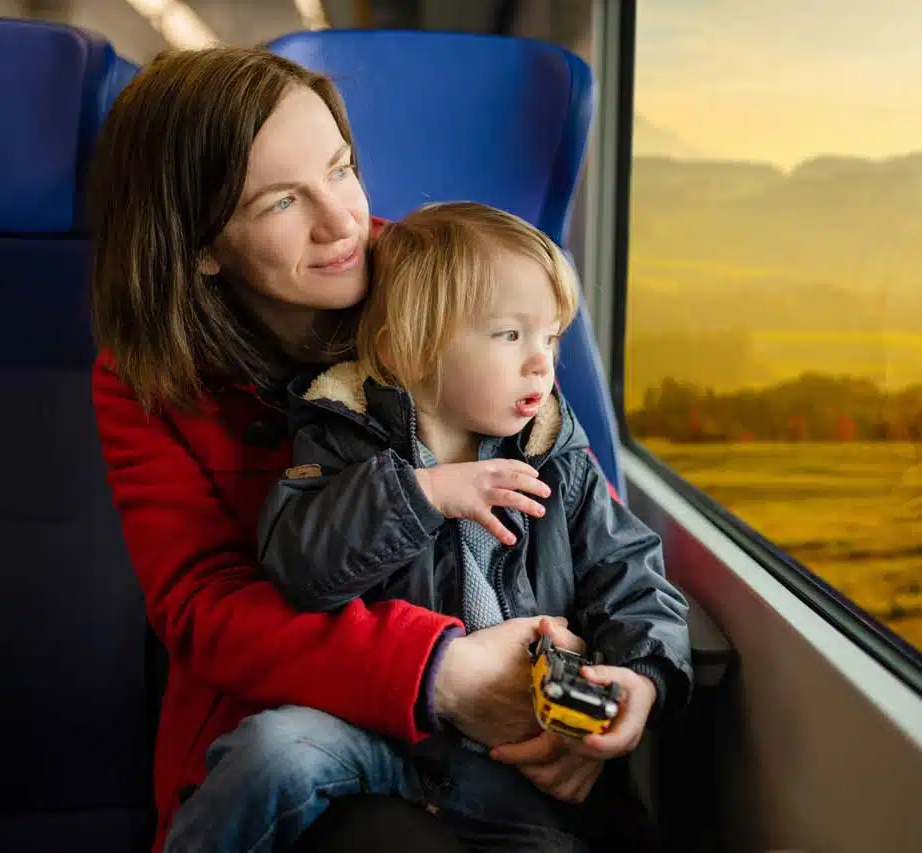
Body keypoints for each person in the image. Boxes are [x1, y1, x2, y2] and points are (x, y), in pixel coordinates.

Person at [87, 46, 603, 853]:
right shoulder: (148, 378)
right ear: (200, 246)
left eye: (342, 167)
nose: (343, 222)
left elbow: (583, 508)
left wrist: (625, 679)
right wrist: (439, 672)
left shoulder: (452, 287)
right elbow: (205, 607)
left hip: (501, 728)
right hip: (289, 724)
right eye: (282, 201)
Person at [161, 202, 694, 853]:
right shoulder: (340, 433)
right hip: (380, 735)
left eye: (551, 337)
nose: (541, 364)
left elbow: (633, 573)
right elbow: (300, 568)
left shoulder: (556, 455)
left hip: (512, 763)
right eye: (509, 335)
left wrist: (643, 675)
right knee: (271, 750)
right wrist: (421, 494)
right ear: (406, 350)